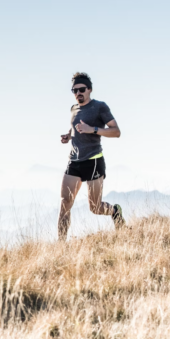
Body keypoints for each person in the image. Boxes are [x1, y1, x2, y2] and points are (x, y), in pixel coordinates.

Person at [58, 72, 124, 241]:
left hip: (93, 160)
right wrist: (69, 136)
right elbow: (75, 128)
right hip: (74, 161)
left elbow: (116, 132)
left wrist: (92, 129)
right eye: (74, 90)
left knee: (95, 207)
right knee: (65, 203)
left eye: (81, 89)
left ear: (89, 90)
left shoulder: (99, 107)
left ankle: (115, 212)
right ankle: (60, 246)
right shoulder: (74, 109)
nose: (78, 93)